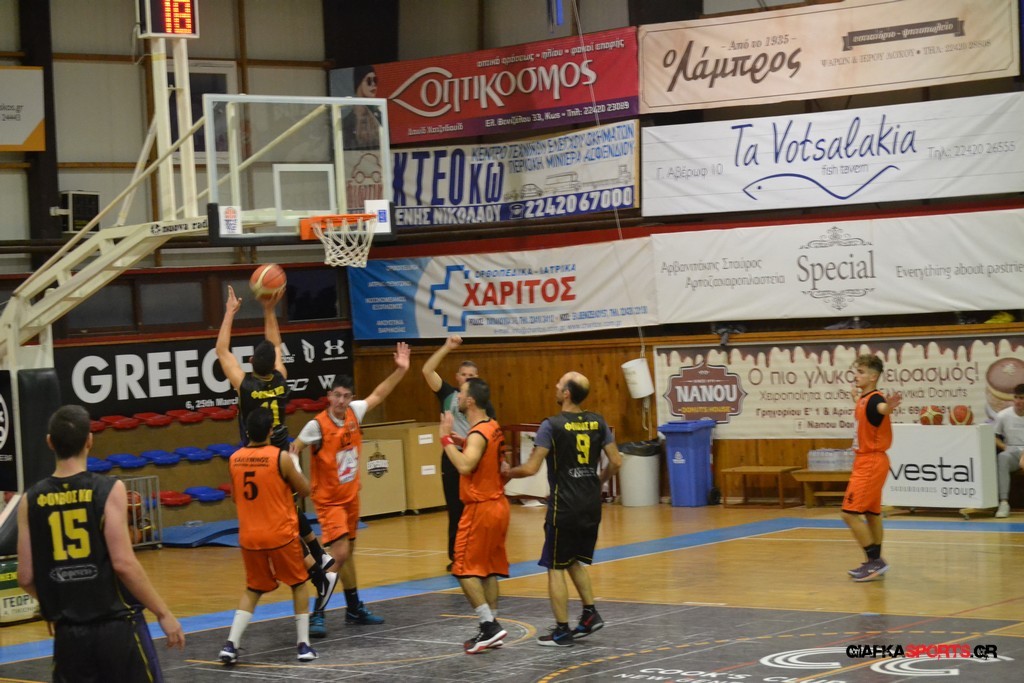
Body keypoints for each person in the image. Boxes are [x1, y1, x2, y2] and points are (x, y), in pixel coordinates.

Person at [16, 405, 185, 681]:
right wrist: (163, 612)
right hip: (115, 627)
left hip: (68, 633)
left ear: (49, 442)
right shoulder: (107, 489)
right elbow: (123, 563)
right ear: (89, 441)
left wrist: (56, 607)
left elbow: (25, 577)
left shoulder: (29, 499)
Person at [216, 285, 337, 609]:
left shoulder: (244, 385)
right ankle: (320, 559)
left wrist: (230, 312)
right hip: (282, 450)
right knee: (289, 512)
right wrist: (270, 310)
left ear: (251, 362)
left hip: (257, 455)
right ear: (273, 364)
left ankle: (319, 568)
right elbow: (277, 347)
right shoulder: (281, 379)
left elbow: (222, 350)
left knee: (280, 521)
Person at [290, 342, 411, 638]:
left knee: (348, 555)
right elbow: (294, 448)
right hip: (329, 501)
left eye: (346, 396)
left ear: (351, 398)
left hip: (350, 497)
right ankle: (318, 611)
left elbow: (380, 393)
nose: (341, 401)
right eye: (336, 395)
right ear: (329, 396)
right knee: (340, 553)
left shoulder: (355, 412)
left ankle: (354, 607)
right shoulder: (317, 425)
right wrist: (297, 477)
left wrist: (400, 370)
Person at [504, 371, 622, 646]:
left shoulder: (552, 425)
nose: (555, 386)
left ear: (567, 393)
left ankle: (561, 630)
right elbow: (616, 461)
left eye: (560, 383)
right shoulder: (598, 421)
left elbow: (531, 468)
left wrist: (508, 472)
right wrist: (598, 481)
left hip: (564, 506)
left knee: (554, 566)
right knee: (572, 559)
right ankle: (590, 614)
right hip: (590, 505)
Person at [219, 407, 318, 664]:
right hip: (280, 534)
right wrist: (295, 464)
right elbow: (305, 490)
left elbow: (235, 497)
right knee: (299, 584)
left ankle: (231, 644)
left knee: (253, 588)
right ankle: (303, 645)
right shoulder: (279, 457)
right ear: (271, 431)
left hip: (250, 537)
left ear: (247, 431)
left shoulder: (234, 459)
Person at [439, 377, 510, 654]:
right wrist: (464, 441)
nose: (457, 396)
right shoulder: (491, 426)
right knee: (487, 569)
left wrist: (446, 439)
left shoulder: (478, 433)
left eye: (461, 393)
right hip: (498, 505)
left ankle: (488, 625)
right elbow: (495, 461)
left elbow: (465, 466)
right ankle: (492, 626)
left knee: (462, 569)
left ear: (470, 401)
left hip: (481, 507)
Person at [421, 335, 481, 571]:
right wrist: (447, 347)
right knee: (455, 508)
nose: (467, 378)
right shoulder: (447, 394)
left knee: (475, 508)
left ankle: (476, 553)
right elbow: (427, 370)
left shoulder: (482, 402)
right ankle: (456, 556)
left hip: (473, 457)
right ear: (457, 377)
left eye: (472, 375)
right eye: (464, 374)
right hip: (452, 456)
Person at [842, 354, 902, 582]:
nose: (856, 376)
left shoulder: (876, 400)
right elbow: (869, 408)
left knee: (848, 514)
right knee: (872, 513)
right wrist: (855, 398)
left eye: (861, 372)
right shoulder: (864, 398)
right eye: (856, 371)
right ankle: (874, 562)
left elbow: (882, 408)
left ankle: (875, 562)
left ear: (873, 377)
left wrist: (889, 407)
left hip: (870, 463)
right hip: (870, 461)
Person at [992, 383, 1024, 518]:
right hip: (1012, 451)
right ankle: (1004, 502)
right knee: (1003, 457)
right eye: (1016, 397)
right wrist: (1005, 447)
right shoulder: (1003, 415)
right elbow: (994, 437)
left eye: (1022, 398)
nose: (1018, 401)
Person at [342, 65, 381, 150]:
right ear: (359, 83)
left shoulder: (381, 119)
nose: (373, 84)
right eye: (369, 81)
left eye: (375, 80)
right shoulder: (346, 123)